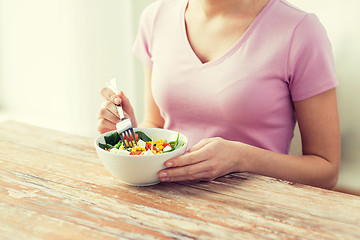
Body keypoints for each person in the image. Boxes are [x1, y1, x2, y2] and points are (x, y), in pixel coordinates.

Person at [97, 0, 340, 189]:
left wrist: (240, 159)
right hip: (169, 202)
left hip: (257, 210)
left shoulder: (300, 31)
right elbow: (157, 125)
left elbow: (326, 171)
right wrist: (134, 140)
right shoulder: (156, 17)